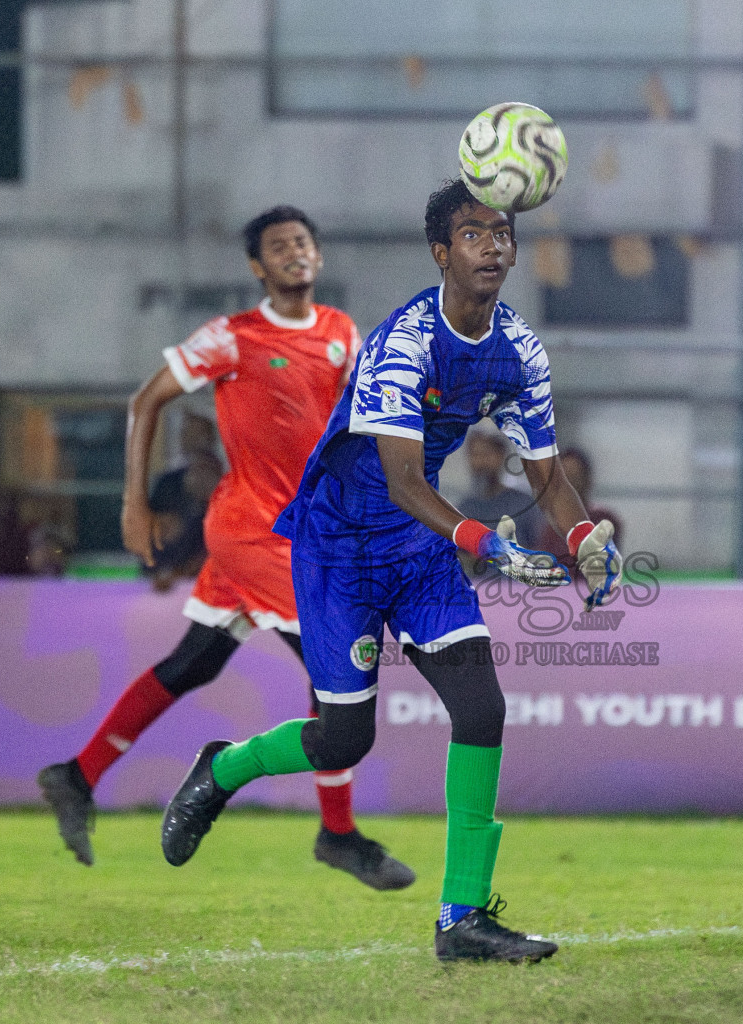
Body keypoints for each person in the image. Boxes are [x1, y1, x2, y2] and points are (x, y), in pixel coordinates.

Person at [159, 179, 624, 964]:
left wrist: (582, 537)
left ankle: (462, 919)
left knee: (482, 710)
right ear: (441, 252)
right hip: (339, 546)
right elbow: (405, 479)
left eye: (503, 234)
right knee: (343, 741)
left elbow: (544, 469)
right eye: (474, 235)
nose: (494, 247)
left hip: (416, 549)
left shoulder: (518, 348)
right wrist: (486, 542)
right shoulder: (402, 341)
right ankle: (225, 766)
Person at [37, 205, 414, 891]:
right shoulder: (231, 338)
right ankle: (337, 834)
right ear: (257, 268)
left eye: (303, 242)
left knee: (192, 664)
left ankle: (76, 775)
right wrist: (135, 502)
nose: (295, 252)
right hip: (249, 532)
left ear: (318, 256)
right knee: (336, 677)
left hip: (302, 534)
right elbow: (146, 401)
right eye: (279, 246)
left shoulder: (339, 333)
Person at [142, 413, 221, 591]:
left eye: (198, 434)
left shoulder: (224, 487)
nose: (190, 439)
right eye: (186, 433)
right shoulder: (168, 483)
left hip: (204, 581)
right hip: (162, 580)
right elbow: (149, 526)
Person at [456, 427, 544, 576]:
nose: (480, 462)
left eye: (486, 454)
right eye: (474, 455)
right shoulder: (464, 508)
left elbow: (540, 550)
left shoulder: (522, 504)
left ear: (502, 455)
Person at [533, 447, 623, 581]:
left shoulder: (602, 519)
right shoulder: (545, 521)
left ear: (587, 479)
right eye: (564, 477)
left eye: (574, 476)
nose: (570, 484)